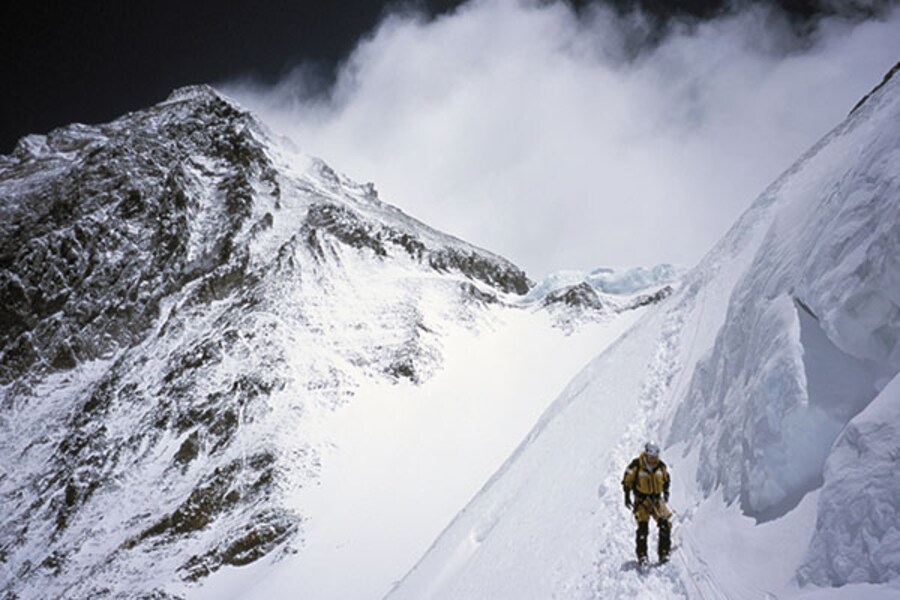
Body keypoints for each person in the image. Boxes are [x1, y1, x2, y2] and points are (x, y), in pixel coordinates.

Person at [622, 441, 672, 565]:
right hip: (642, 501)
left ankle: (664, 552)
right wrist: (627, 496)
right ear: (646, 454)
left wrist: (665, 492)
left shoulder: (661, 467)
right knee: (643, 529)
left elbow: (666, 480)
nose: (652, 460)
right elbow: (627, 480)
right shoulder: (636, 465)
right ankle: (642, 555)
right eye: (650, 457)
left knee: (665, 524)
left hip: (656, 500)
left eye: (654, 457)